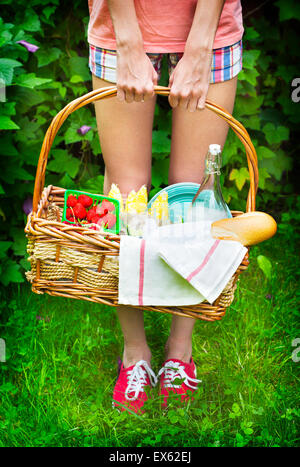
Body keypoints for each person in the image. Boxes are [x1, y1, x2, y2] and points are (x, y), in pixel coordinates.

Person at [87, 0, 244, 413]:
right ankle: (135, 354)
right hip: (120, 26)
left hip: (211, 31)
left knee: (196, 199)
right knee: (124, 198)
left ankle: (179, 351)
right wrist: (126, 38)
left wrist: (200, 46)